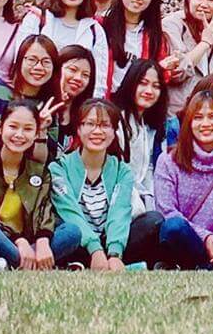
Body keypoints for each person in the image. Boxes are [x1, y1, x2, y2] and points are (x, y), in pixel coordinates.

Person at [50, 98, 146, 269]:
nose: (97, 131)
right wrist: (95, 249)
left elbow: (120, 211)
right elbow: (69, 212)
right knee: (70, 233)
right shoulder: (59, 168)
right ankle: (86, 262)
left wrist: (114, 252)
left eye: (105, 125)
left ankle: (113, 262)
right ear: (79, 129)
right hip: (81, 241)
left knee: (152, 222)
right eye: (90, 124)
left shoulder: (121, 170)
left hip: (109, 239)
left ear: (114, 131)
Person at [0, 101, 59, 270]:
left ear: (37, 134)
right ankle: (22, 261)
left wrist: (42, 240)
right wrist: (18, 241)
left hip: (31, 240)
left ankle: (11, 263)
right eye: (13, 127)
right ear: (0, 128)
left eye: (28, 129)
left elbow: (43, 211)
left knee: (71, 232)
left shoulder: (40, 171)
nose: (19, 135)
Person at [149, 88, 213, 269]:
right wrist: (205, 237)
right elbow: (167, 211)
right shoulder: (168, 161)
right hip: (182, 240)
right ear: (189, 122)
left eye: (212, 116)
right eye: (198, 117)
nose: (205, 123)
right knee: (174, 226)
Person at [20, 0, 112, 97]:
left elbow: (98, 82)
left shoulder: (94, 30)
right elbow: (20, 62)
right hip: (35, 100)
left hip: (74, 108)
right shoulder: (37, 20)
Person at [112, 57, 169, 210]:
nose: (149, 91)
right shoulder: (116, 120)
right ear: (131, 83)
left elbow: (147, 172)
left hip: (141, 199)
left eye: (156, 86)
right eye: (143, 83)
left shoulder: (148, 125)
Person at [100, 0, 170, 91]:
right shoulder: (101, 26)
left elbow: (161, 79)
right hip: (104, 101)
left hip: (135, 105)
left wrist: (164, 67)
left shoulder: (155, 38)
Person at [163, 0, 213, 113]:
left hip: (206, 112)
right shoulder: (173, 24)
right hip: (175, 113)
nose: (204, 4)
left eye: (212, 0)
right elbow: (177, 71)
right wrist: (205, 43)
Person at [42, 46, 100, 155]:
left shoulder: (86, 116)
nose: (78, 78)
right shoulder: (41, 105)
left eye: (85, 75)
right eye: (73, 70)